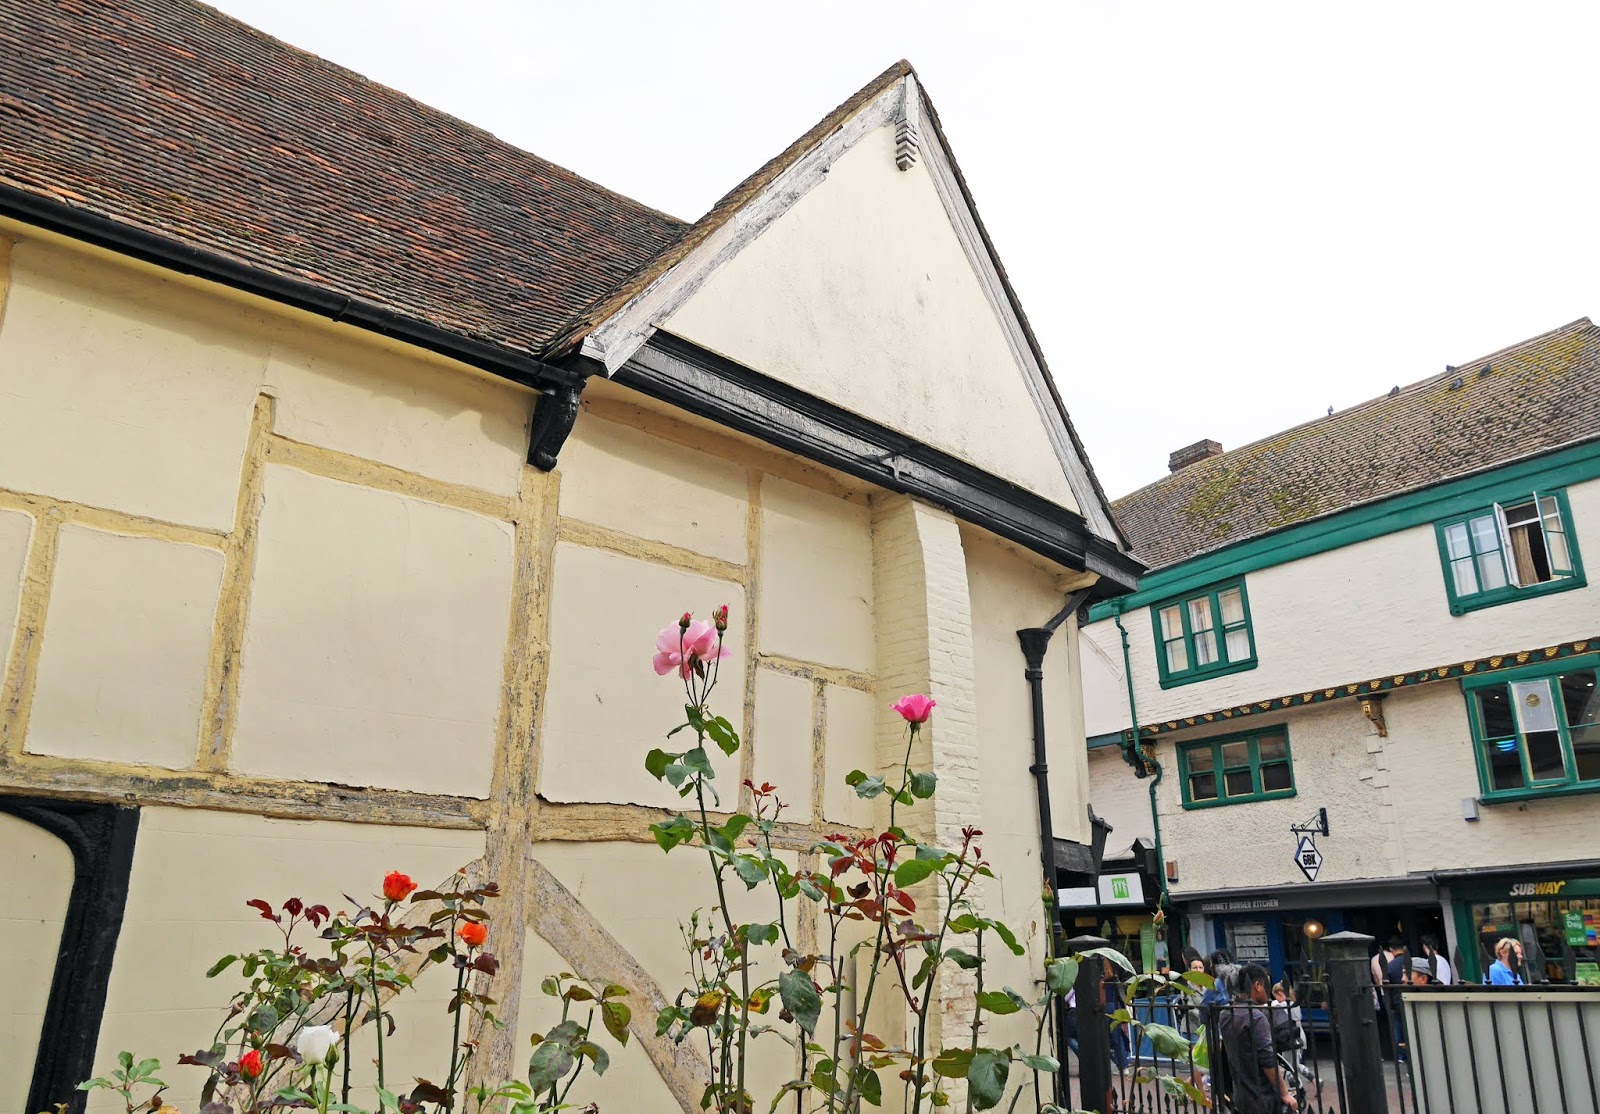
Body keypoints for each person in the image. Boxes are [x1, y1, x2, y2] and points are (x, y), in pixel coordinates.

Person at [1218, 964, 1300, 1113]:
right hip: (1263, 1097)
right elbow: (1268, 1060)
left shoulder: (1225, 1014)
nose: (1269, 992)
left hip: (1241, 1095)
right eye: (1266, 985)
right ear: (1257, 986)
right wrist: (1284, 1094)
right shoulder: (1255, 1017)